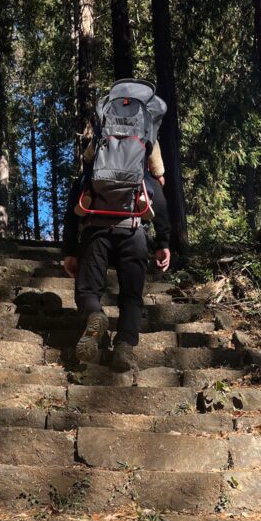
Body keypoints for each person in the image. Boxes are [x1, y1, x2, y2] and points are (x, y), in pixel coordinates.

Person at [61, 148, 172, 373]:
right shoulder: (143, 171)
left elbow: (72, 210)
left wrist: (70, 250)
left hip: (95, 231)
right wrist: (163, 243)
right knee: (131, 296)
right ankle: (124, 346)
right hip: (133, 232)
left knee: (87, 291)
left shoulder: (92, 171)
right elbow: (159, 203)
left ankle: (95, 315)